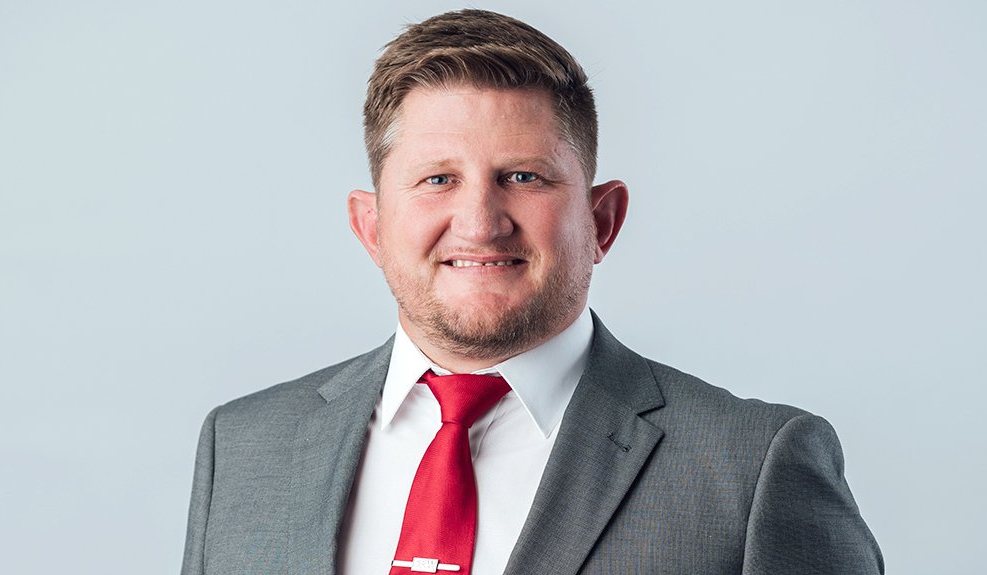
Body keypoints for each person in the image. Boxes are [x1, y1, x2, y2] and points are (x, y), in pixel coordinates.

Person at [180, 9, 883, 575]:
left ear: (602, 220)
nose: (480, 222)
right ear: (371, 226)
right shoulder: (243, 450)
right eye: (437, 179)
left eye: (524, 176)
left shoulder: (751, 470)